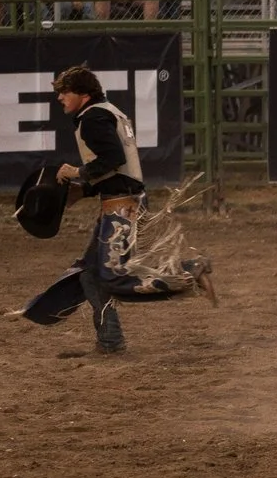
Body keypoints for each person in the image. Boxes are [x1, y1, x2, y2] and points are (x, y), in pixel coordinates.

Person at [13, 65, 209, 353]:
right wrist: (86, 189)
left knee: (112, 276)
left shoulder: (92, 118)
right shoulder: (107, 112)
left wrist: (77, 172)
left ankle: (189, 271)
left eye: (65, 92)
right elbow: (118, 168)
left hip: (122, 206)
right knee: (90, 273)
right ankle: (110, 340)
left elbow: (113, 158)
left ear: (82, 94)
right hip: (124, 200)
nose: (60, 98)